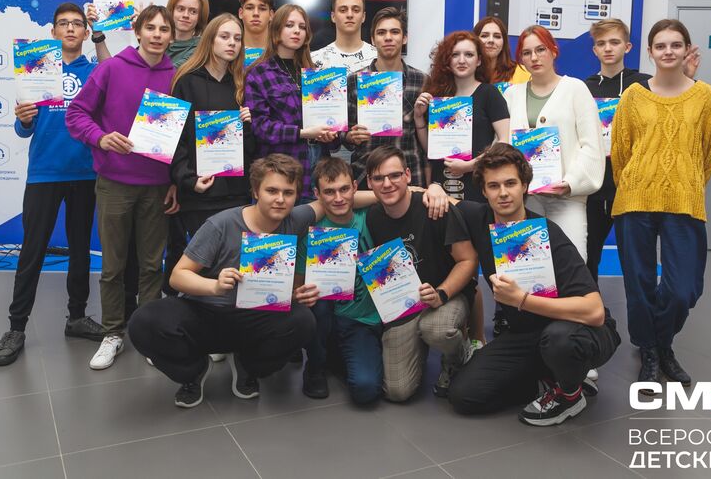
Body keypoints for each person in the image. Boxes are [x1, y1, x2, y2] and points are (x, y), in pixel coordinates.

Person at [127, 155, 323, 408]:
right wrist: (215, 286)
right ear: (255, 191)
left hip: (254, 317)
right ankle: (193, 371)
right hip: (206, 312)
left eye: (288, 193)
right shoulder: (221, 224)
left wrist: (380, 196)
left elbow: (332, 202)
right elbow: (177, 276)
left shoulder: (295, 219)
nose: (280, 199)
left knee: (303, 321)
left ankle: (247, 366)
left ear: (297, 196)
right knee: (144, 322)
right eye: (272, 191)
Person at [447, 143, 620, 426]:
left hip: (580, 330)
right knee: (464, 395)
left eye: (510, 183)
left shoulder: (549, 234)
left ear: (524, 185)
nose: (503, 193)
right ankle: (548, 379)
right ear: (484, 192)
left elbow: (594, 312)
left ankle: (570, 394)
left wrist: (522, 300)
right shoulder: (479, 219)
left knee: (560, 340)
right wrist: (432, 190)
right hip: (528, 335)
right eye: (493, 186)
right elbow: (444, 200)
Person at [66, 5, 181, 370]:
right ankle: (113, 333)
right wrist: (100, 138)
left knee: (151, 266)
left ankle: (148, 335)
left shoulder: (177, 76)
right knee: (113, 267)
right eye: (151, 28)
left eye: (164, 29)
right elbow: (76, 113)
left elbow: (182, 137)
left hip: (157, 186)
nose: (158, 34)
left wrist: (174, 181)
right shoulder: (111, 68)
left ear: (171, 36)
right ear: (138, 31)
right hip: (114, 183)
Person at [0, 3, 104, 366]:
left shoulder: (96, 72)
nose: (70, 28)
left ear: (85, 32)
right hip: (44, 173)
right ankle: (16, 327)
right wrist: (23, 118)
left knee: (81, 249)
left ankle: (77, 317)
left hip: (85, 173)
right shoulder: (36, 68)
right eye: (63, 24)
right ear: (52, 31)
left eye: (77, 24)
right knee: (32, 250)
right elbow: (23, 128)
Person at [612, 19, 711, 389]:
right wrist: (637, 184)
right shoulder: (634, 96)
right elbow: (621, 151)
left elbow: (710, 152)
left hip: (685, 201)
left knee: (683, 289)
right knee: (639, 284)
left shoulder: (706, 97)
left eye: (676, 44)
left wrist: (686, 183)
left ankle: (659, 341)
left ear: (687, 49)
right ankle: (653, 351)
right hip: (635, 199)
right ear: (650, 52)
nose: (668, 51)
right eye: (661, 46)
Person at [584, 18, 700, 284]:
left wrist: (687, 77)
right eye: (601, 43)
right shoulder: (583, 88)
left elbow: (677, 113)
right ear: (594, 50)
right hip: (594, 185)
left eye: (614, 42)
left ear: (628, 47)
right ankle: (592, 307)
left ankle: (644, 302)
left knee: (634, 258)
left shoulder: (645, 85)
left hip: (633, 186)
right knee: (587, 255)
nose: (608, 48)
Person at [363, 146, 477, 401]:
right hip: (405, 304)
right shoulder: (373, 217)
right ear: (369, 182)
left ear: (407, 175)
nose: (387, 184)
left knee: (436, 329)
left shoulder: (436, 207)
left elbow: (468, 260)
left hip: (447, 295)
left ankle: (457, 355)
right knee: (397, 391)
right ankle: (420, 346)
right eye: (378, 178)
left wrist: (441, 294)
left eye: (394, 175)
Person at [168, 14, 255, 298]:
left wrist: (249, 125)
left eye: (237, 38)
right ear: (210, 39)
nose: (232, 43)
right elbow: (175, 139)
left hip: (236, 194)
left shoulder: (242, 84)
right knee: (203, 269)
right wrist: (188, 180)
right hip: (200, 193)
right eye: (225, 36)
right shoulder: (186, 81)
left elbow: (251, 148)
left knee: (233, 268)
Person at [503, 25, 604, 262]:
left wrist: (570, 183)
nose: (534, 57)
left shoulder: (575, 89)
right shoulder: (511, 95)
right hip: (525, 199)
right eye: (526, 53)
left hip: (567, 198)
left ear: (554, 51)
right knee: (529, 268)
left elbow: (591, 145)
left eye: (541, 49)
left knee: (572, 264)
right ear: (521, 59)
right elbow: (503, 146)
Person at [291, 157, 378, 401]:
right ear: (317, 194)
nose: (338, 198)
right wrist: (299, 295)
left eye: (344, 189)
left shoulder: (371, 216)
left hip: (364, 317)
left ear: (355, 187)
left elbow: (400, 194)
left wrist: (432, 189)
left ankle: (338, 356)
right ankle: (316, 366)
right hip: (328, 317)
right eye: (329, 192)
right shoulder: (310, 232)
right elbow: (297, 286)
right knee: (316, 303)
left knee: (367, 389)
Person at [244, 4, 337, 196]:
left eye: (302, 27)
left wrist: (330, 135)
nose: (297, 31)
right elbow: (260, 127)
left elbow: (330, 121)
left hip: (319, 168)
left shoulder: (315, 75)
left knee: (316, 215)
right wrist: (302, 133)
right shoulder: (259, 73)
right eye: (289, 25)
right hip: (280, 171)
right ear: (276, 29)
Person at [414, 31, 510, 203]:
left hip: (479, 181)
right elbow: (431, 150)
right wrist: (419, 117)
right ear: (447, 60)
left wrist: (470, 165)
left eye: (469, 55)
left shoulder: (490, 94)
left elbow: (504, 140)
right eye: (455, 55)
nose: (462, 60)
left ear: (479, 60)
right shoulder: (438, 97)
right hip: (441, 185)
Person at [342, 7, 429, 188]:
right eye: (381, 33)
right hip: (366, 174)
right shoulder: (354, 81)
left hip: (410, 175)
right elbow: (341, 132)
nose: (388, 37)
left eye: (394, 32)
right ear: (373, 40)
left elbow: (430, 138)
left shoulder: (422, 81)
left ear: (405, 38)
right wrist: (350, 136)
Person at [311, 0, 379, 73]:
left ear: (363, 16)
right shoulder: (314, 60)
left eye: (356, 10)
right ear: (333, 16)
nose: (350, 15)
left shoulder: (379, 58)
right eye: (343, 10)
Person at [474, 16, 530, 85]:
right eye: (484, 36)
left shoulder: (523, 73)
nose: (491, 40)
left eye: (497, 36)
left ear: (504, 42)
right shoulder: (467, 73)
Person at [165, 0, 210, 68]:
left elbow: (173, 71)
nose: (186, 15)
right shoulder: (159, 40)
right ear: (171, 11)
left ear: (200, 17)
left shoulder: (202, 47)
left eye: (193, 11)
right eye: (181, 9)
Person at [238, 0, 274, 66]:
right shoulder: (230, 51)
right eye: (250, 8)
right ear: (240, 13)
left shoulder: (284, 51)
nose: (256, 13)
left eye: (262, 8)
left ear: (271, 15)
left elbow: (306, 72)